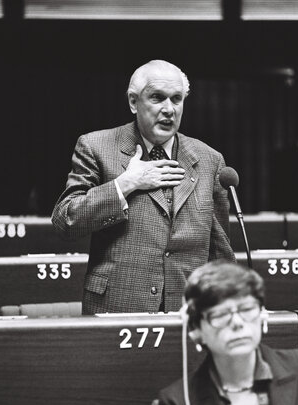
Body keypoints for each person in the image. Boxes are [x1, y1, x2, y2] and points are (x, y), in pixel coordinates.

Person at [51, 60, 235, 314]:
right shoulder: (96, 147)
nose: (169, 109)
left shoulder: (209, 160)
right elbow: (65, 221)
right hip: (117, 307)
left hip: (188, 311)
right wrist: (124, 184)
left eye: (176, 99)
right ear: (133, 102)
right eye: (157, 98)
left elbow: (220, 250)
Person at [159, 261, 298, 405]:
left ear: (262, 315)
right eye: (220, 315)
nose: (237, 323)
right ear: (196, 330)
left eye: (247, 309)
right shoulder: (177, 402)